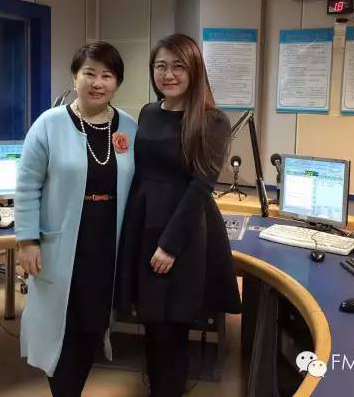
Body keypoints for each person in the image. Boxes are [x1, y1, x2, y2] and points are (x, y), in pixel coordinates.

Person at [116, 33, 242, 397]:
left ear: (194, 70)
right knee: (152, 323)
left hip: (182, 231)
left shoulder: (212, 120)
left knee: (173, 328)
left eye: (177, 66)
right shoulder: (148, 112)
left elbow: (201, 186)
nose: (168, 74)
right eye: (160, 66)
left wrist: (170, 245)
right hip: (144, 223)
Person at [15, 42, 137, 396]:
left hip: (107, 248)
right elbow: (27, 185)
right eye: (89, 73)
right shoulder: (49, 124)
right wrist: (27, 240)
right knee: (61, 328)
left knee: (91, 327)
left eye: (107, 75)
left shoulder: (129, 127)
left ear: (117, 82)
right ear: (74, 77)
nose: (97, 83)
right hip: (61, 247)